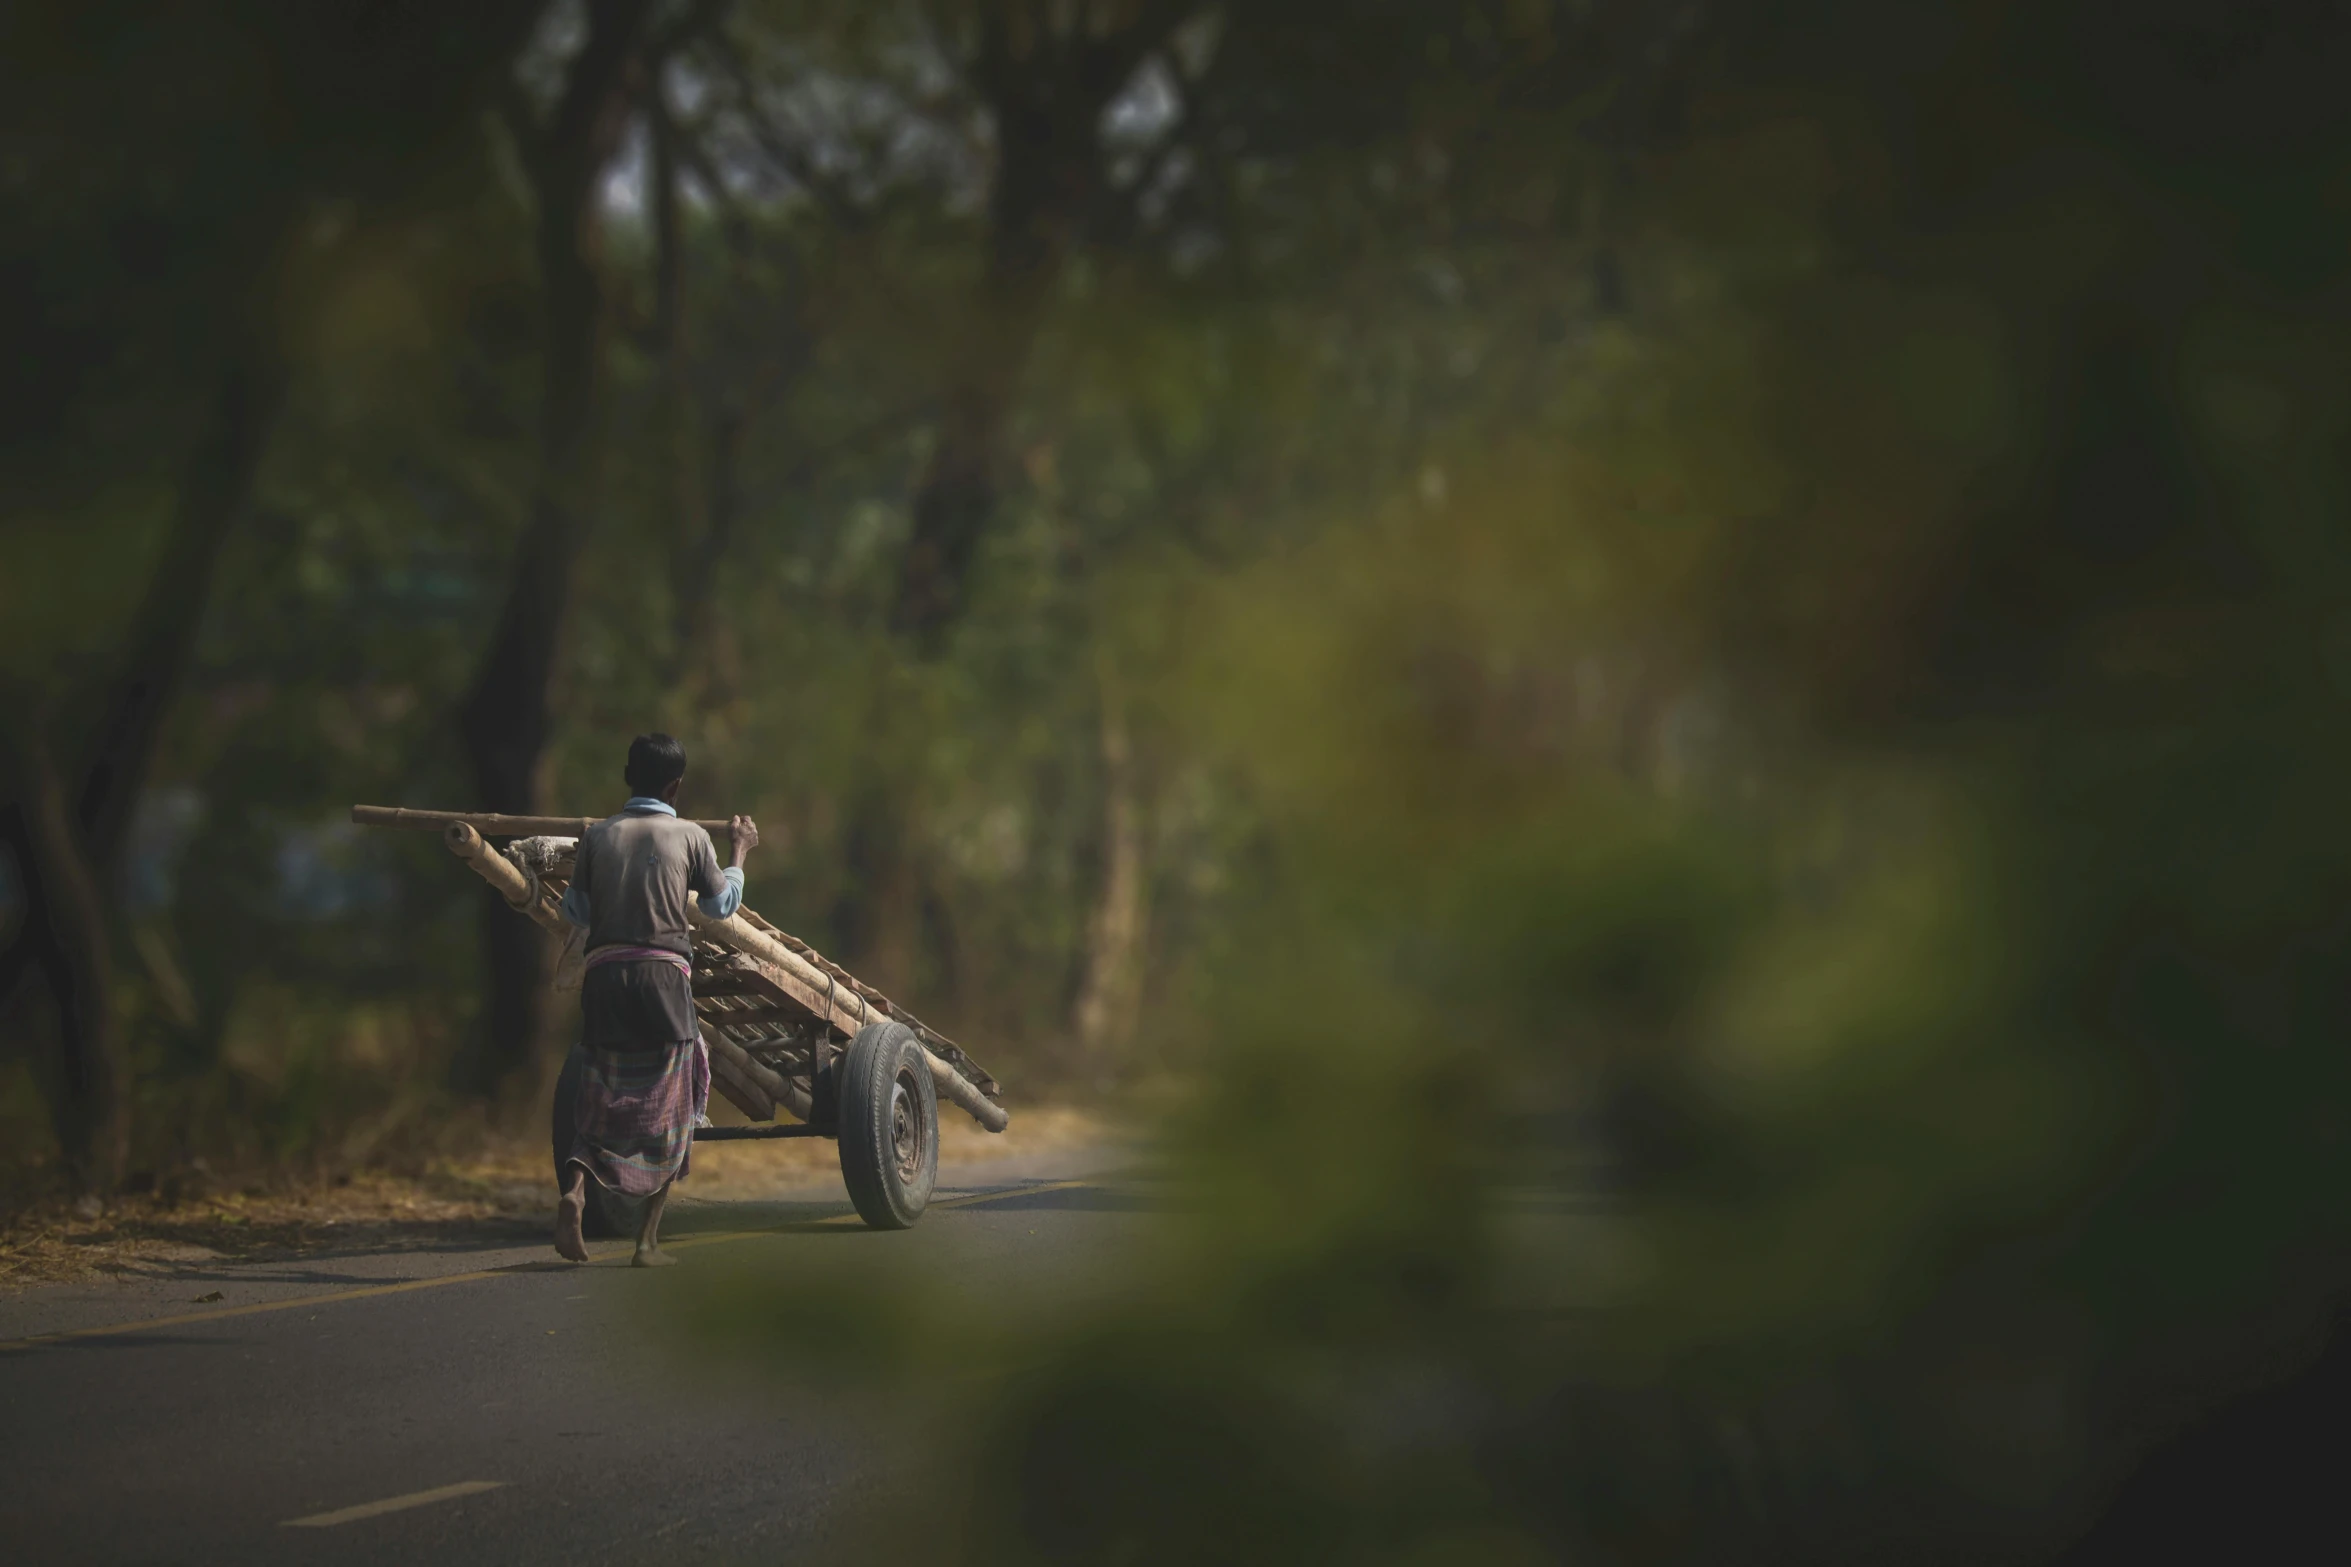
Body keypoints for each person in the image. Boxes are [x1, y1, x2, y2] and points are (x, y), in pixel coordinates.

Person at [552, 732, 758, 1265]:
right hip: (663, 979)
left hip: (604, 980)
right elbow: (720, 907)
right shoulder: (690, 837)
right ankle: (646, 1241)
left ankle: (574, 1192)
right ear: (676, 786)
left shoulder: (598, 836)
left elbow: (573, 913)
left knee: (599, 1094)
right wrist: (739, 849)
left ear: (628, 777)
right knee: (678, 1098)